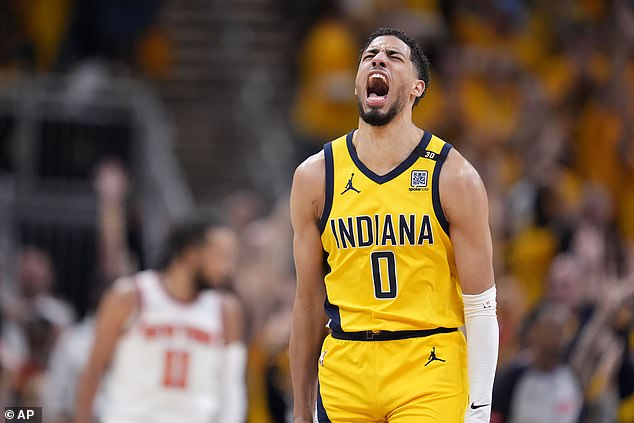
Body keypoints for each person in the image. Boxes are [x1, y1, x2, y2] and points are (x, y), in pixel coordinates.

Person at [289, 27, 499, 422]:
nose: (378, 59)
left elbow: (481, 305)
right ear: (357, 84)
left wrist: (480, 407)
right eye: (369, 55)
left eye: (393, 57)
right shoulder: (315, 177)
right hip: (345, 366)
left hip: (428, 364)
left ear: (417, 88)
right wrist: (300, 408)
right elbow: (306, 304)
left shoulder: (453, 176)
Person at [74, 216, 246, 423]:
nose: (228, 268)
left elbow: (232, 387)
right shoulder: (129, 296)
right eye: (221, 257)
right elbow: (93, 370)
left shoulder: (227, 310)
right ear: (191, 254)